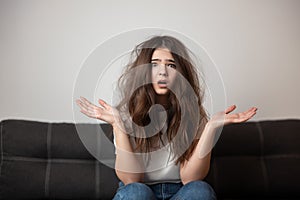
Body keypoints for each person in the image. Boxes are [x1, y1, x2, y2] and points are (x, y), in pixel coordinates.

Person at [76, 35, 257, 200]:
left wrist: (210, 128)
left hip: (181, 193)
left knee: (199, 190)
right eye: (154, 64)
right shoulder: (125, 115)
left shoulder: (193, 114)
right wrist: (118, 125)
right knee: (136, 192)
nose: (162, 72)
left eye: (171, 65)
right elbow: (131, 179)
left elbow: (190, 178)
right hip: (141, 192)